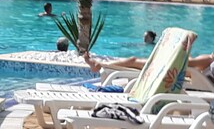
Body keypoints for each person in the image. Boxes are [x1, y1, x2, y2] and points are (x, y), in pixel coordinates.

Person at [84, 51, 214, 76]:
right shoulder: (209, 60)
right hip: (193, 72)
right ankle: (101, 64)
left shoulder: (209, 60)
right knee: (133, 61)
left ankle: (101, 65)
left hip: (180, 71)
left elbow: (187, 63)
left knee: (133, 61)